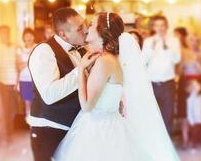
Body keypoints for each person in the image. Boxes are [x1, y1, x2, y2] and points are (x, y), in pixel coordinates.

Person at [54, 12, 179, 161]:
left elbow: (87, 106)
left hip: (99, 129)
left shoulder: (105, 61)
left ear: (101, 30)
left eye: (92, 24)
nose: (88, 27)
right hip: (110, 123)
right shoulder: (108, 58)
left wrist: (81, 70)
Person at [28, 8, 87, 161]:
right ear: (63, 34)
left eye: (85, 25)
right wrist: (81, 70)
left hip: (75, 128)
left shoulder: (82, 52)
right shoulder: (44, 51)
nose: (86, 30)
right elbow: (50, 95)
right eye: (80, 28)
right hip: (49, 130)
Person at [142, 15, 181, 134]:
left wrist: (166, 45)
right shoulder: (148, 41)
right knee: (152, 115)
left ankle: (168, 146)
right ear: (154, 27)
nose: (160, 28)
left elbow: (177, 59)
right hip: (152, 83)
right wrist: (152, 48)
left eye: (162, 25)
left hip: (168, 83)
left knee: (168, 115)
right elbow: (143, 61)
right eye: (157, 25)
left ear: (166, 26)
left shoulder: (174, 41)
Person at [177, 33, 201, 148]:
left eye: (196, 40)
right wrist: (183, 62)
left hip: (199, 83)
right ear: (187, 42)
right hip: (185, 83)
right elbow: (178, 72)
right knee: (184, 112)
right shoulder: (182, 53)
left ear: (199, 42)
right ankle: (185, 139)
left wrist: (196, 60)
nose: (193, 43)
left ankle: (197, 139)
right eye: (191, 40)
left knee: (198, 111)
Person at [0, 25, 18, 143]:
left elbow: (17, 62)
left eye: (7, 32)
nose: (5, 35)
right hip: (3, 83)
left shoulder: (14, 46)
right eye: (3, 33)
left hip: (13, 82)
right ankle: (6, 135)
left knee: (13, 109)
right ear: (0, 34)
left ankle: (10, 131)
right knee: (5, 110)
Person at [17, 28, 36, 119]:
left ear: (33, 37)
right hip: (24, 80)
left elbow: (39, 64)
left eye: (30, 36)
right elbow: (19, 66)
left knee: (36, 102)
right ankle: (30, 126)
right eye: (26, 36)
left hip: (36, 79)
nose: (28, 38)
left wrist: (26, 62)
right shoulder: (20, 49)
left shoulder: (38, 47)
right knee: (27, 103)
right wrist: (31, 60)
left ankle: (36, 126)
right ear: (23, 38)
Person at [186, 80, 201, 150]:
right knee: (195, 133)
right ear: (191, 89)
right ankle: (194, 145)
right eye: (194, 86)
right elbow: (189, 111)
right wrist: (191, 121)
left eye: (197, 86)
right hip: (195, 120)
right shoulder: (190, 99)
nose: (197, 88)